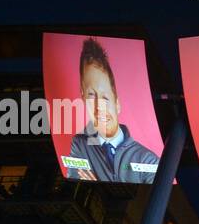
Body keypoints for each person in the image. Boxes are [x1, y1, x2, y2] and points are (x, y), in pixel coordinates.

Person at [65, 37, 161, 184]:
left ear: (117, 104)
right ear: (83, 97)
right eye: (92, 95)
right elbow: (75, 183)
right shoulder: (79, 145)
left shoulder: (149, 160)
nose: (99, 106)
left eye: (105, 97)